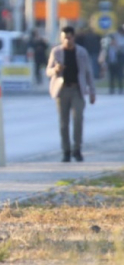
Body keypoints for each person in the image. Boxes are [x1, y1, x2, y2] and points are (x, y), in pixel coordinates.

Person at [46, 25, 95, 163]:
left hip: (77, 89)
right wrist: (55, 69)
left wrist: (92, 91)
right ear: (61, 38)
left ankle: (77, 148)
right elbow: (48, 71)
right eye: (64, 38)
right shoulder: (56, 52)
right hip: (62, 90)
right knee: (64, 122)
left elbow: (88, 72)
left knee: (78, 119)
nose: (67, 40)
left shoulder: (81, 52)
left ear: (73, 37)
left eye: (69, 37)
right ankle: (66, 150)